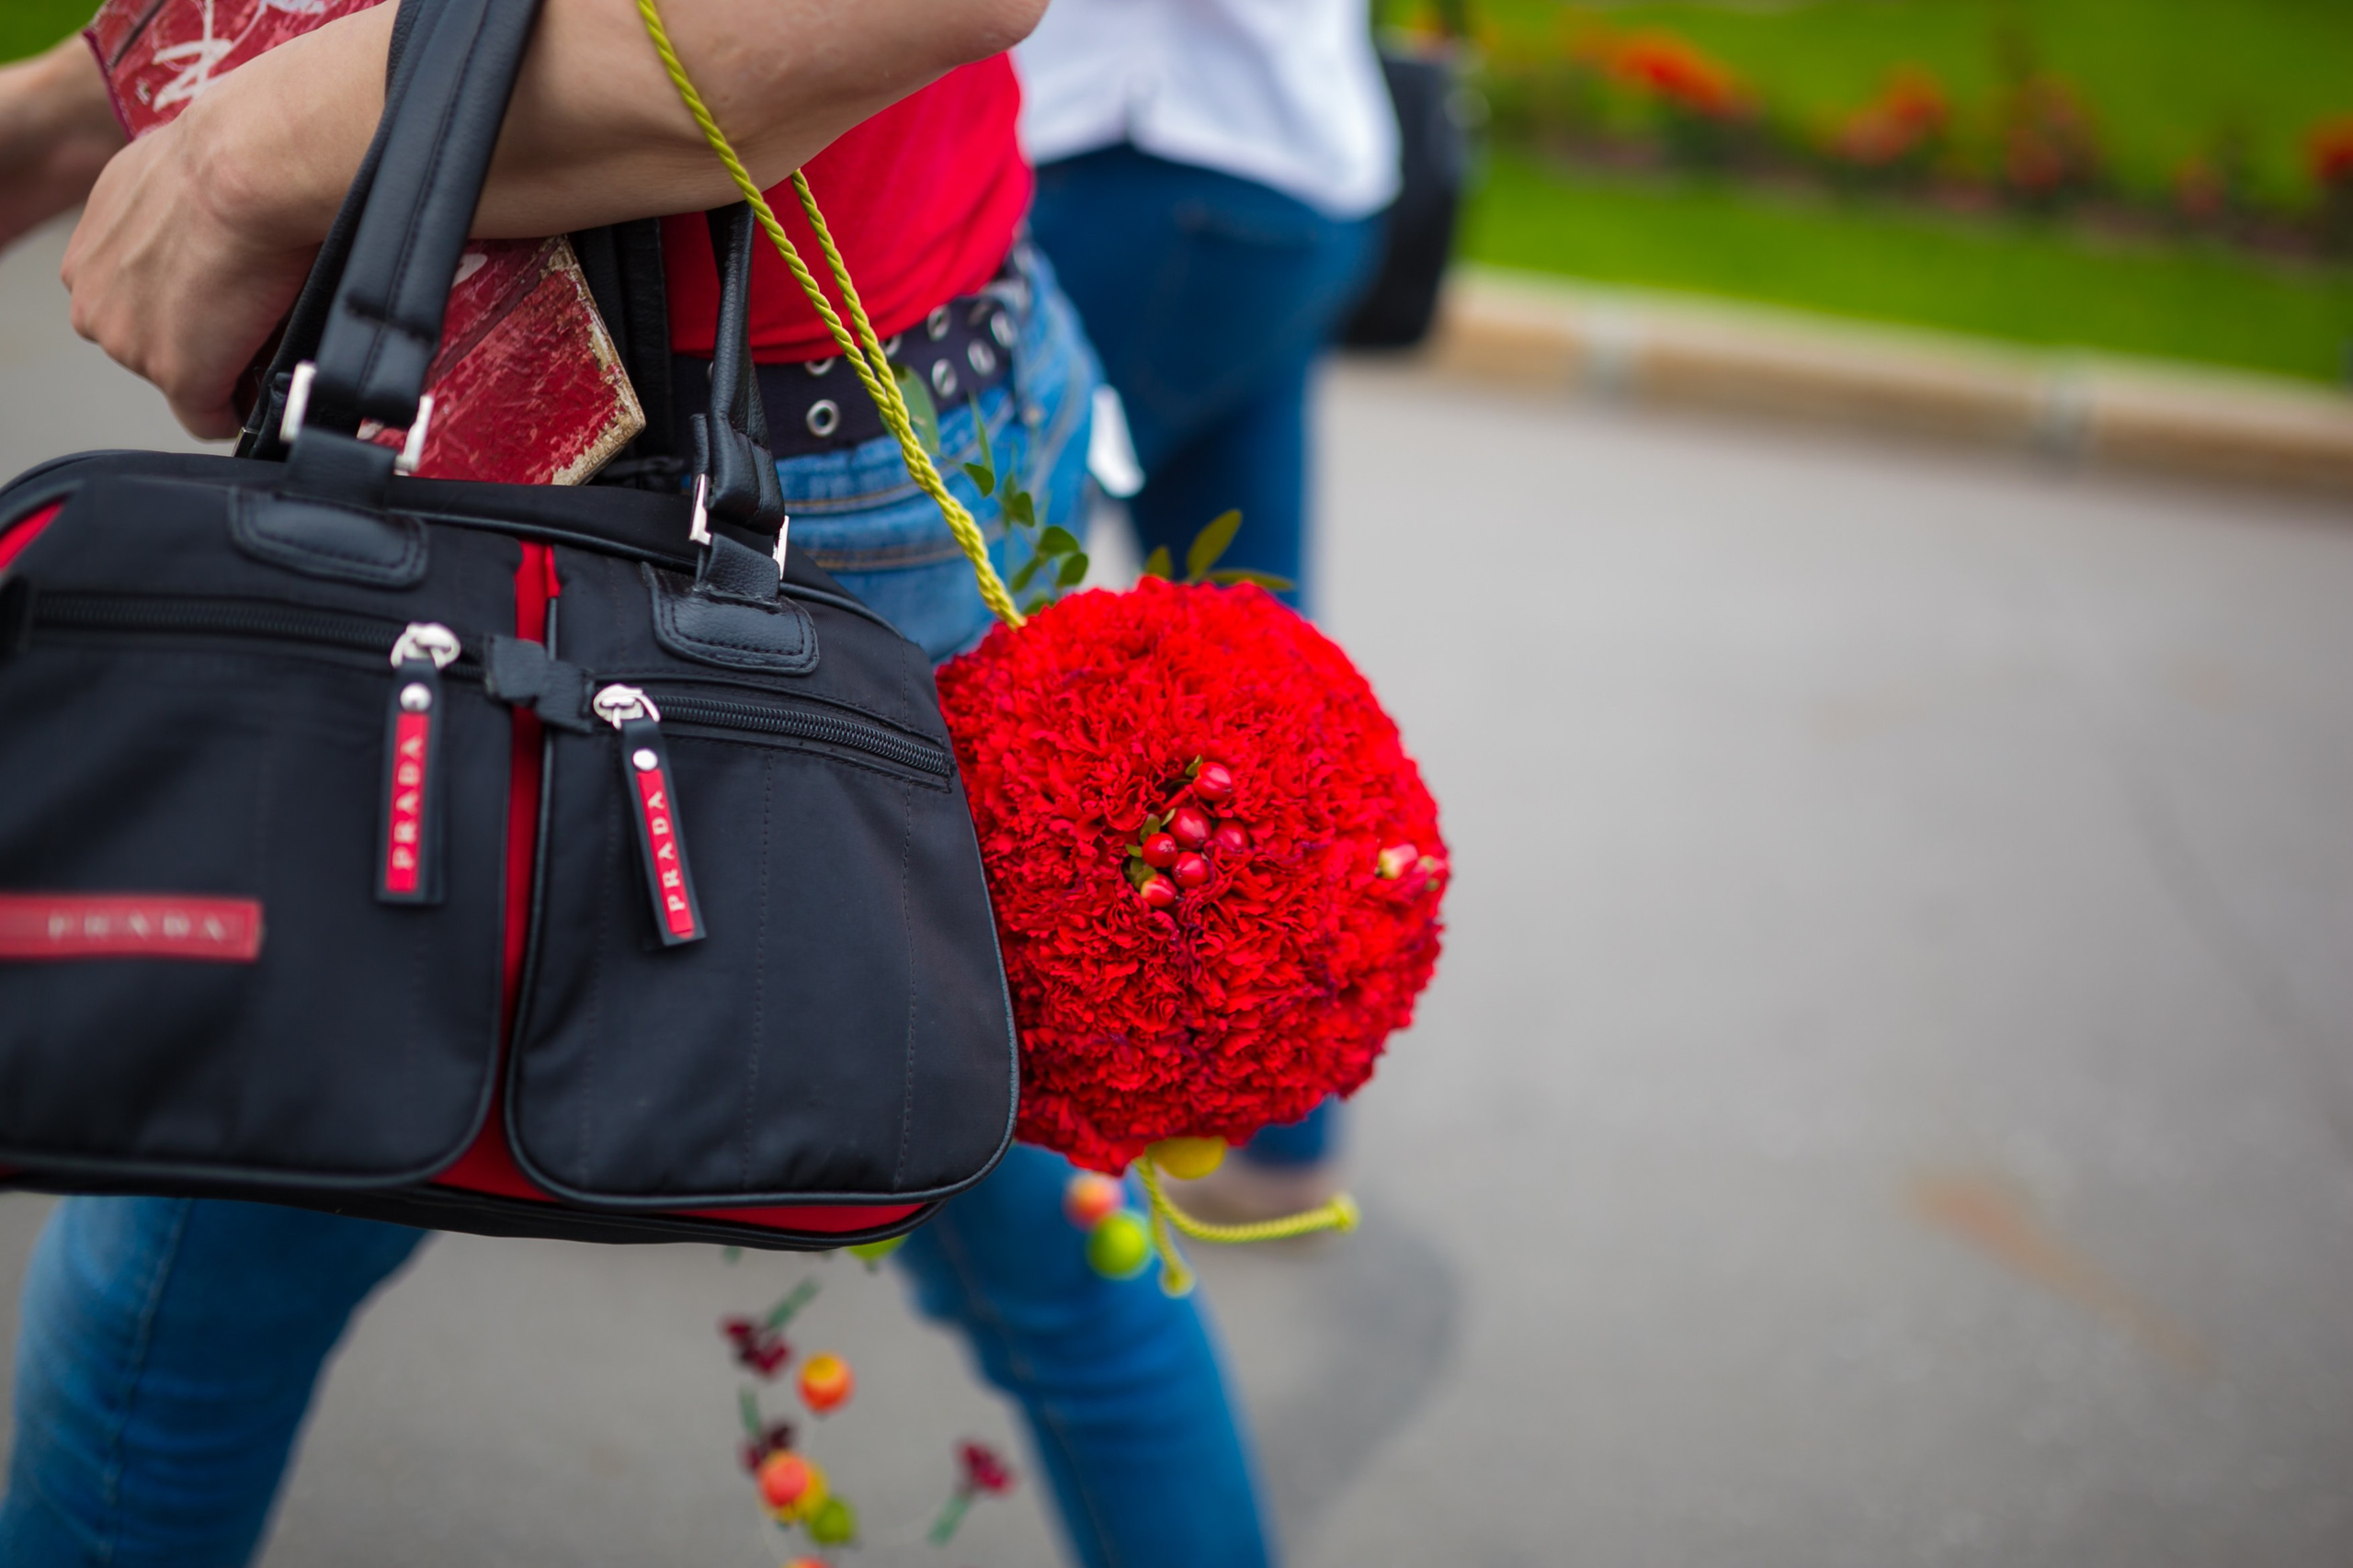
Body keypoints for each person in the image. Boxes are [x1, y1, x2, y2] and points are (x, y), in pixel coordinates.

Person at [0, 8, 1272, 1565]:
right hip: (880, 372)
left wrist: (235, 156)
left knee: (191, 1272)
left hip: (753, 460)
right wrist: (93, 96)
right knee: (1032, 1199)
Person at [1016, 0, 1401, 1207]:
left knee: (975, 639)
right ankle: (1285, 1115)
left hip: (1147, 148)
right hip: (1296, 170)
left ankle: (929, 1105)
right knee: (1254, 676)